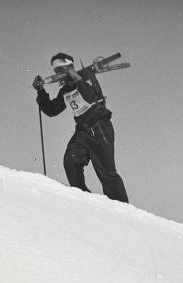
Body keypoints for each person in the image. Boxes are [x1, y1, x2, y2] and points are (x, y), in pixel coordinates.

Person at [33, 52, 129, 203]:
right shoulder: (66, 89)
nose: (58, 73)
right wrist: (41, 91)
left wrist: (77, 78)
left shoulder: (86, 76)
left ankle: (121, 208)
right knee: (71, 160)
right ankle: (83, 199)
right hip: (83, 131)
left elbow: (90, 96)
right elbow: (52, 110)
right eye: (56, 71)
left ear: (70, 67)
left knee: (106, 173)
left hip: (100, 128)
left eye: (61, 69)